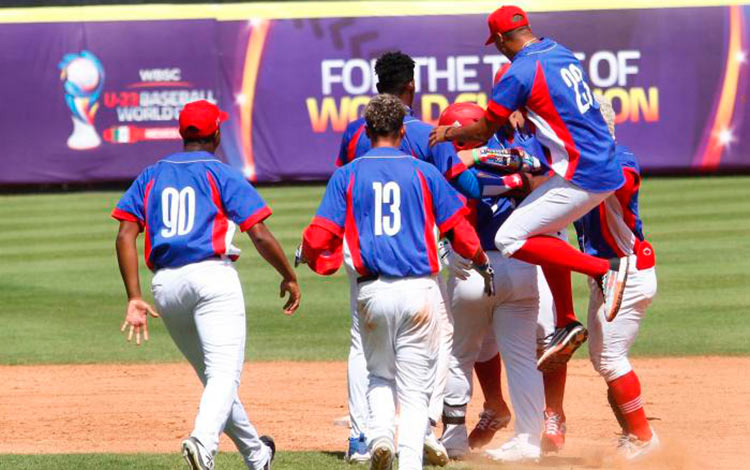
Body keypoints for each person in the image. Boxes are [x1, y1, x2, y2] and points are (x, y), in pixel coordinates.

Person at [429, 5, 630, 372]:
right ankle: (566, 320)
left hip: (581, 170)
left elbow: (482, 130)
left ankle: (604, 270)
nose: (499, 49)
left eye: (497, 44)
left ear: (503, 39)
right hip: (601, 162)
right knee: (545, 229)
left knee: (510, 238)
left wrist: (449, 134)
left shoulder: (519, 71)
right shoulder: (560, 50)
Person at [300, 94, 493, 470]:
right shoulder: (425, 172)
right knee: (416, 384)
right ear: (403, 131)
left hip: (371, 290)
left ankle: (381, 437)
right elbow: (460, 232)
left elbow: (319, 236)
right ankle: (407, 460)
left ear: (367, 131)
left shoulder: (348, 173)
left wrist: (308, 256)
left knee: (378, 374)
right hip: (419, 290)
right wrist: (482, 260)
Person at [112, 100, 301, 470]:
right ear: (216, 133)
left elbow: (124, 235)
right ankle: (202, 442)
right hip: (213, 279)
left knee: (215, 380)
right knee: (223, 376)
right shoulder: (221, 172)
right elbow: (258, 233)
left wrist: (134, 296)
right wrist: (288, 274)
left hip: (165, 285)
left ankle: (256, 454)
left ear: (182, 134)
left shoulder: (151, 173)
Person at [335, 50, 468, 466]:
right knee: (439, 337)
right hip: (419, 257)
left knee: (363, 348)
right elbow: (463, 189)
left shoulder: (355, 135)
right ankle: (424, 426)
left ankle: (363, 437)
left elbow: (343, 189)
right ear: (411, 85)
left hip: (364, 256)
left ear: (377, 89)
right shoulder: (429, 134)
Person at [541, 97, 660, 459]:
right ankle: (633, 436)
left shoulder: (618, 157)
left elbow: (624, 182)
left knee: (610, 359)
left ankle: (644, 439)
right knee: (604, 357)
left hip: (626, 268)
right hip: (606, 272)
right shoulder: (577, 165)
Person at [437, 101, 554, 463]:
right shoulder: (521, 152)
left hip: (472, 268)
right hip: (520, 265)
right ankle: (529, 441)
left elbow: (465, 187)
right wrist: (514, 178)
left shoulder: (447, 165)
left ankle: (453, 438)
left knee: (459, 355)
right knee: (521, 358)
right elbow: (542, 175)